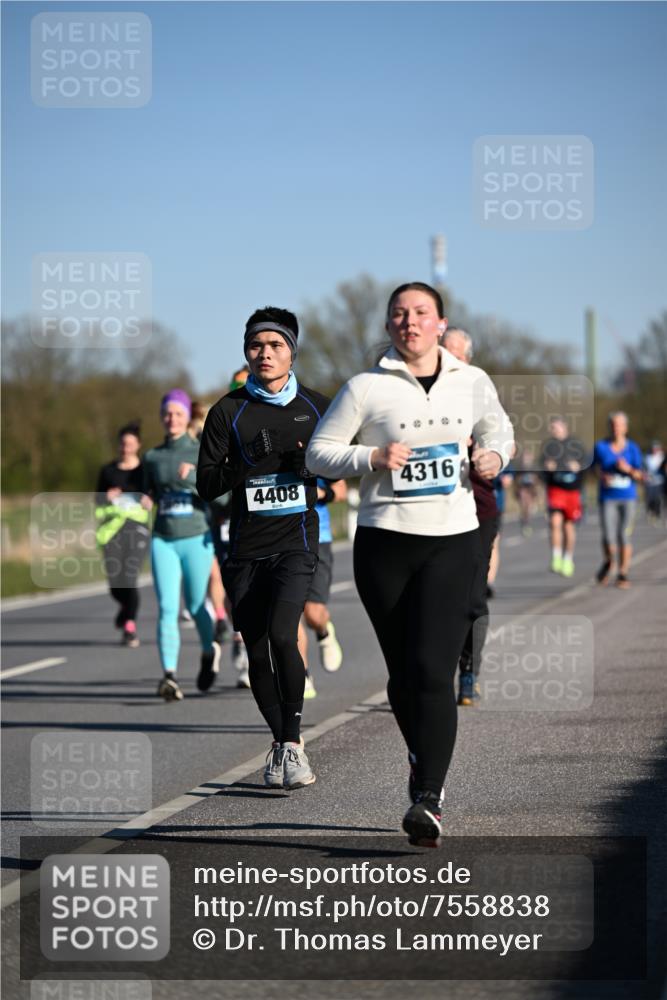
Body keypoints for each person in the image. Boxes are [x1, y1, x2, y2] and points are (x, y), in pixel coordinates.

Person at [307, 282, 513, 847]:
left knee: (432, 668)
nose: (410, 322)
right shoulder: (365, 387)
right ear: (389, 326)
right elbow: (318, 453)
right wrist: (370, 456)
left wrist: (493, 455)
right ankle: (420, 762)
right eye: (399, 314)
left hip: (452, 540)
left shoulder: (472, 382)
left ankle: (430, 797)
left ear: (440, 324)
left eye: (421, 313)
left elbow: (499, 430)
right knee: (403, 675)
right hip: (383, 544)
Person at [197, 307, 330, 790]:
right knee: (255, 650)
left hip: (295, 543)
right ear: (246, 351)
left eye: (275, 345)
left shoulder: (317, 406)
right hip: (245, 549)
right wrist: (243, 462)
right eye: (256, 345)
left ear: (292, 351)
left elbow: (339, 465)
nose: (265, 353)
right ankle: (281, 744)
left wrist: (313, 468)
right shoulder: (227, 412)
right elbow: (207, 486)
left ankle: (293, 743)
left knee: (281, 634)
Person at [143, 389, 221, 701]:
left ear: (187, 416)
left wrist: (193, 479)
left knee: (194, 605)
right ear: (162, 417)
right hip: (163, 539)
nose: (171, 418)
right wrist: (145, 499)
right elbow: (148, 491)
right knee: (166, 608)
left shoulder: (202, 451)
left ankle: (207, 649)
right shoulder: (152, 457)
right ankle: (169, 676)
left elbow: (222, 495)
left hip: (195, 539)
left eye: (177, 413)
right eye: (167, 413)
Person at [444, 328, 499, 707]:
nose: (449, 360)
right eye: (443, 352)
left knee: (472, 597)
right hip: (427, 511)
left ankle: (469, 672)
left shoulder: (480, 393)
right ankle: (427, 676)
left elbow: (501, 441)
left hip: (476, 507)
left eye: (457, 355)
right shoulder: (414, 392)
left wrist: (486, 452)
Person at [95, 423, 151, 648]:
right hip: (112, 530)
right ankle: (124, 609)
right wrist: (106, 496)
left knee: (129, 578)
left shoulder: (145, 471)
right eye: (122, 443)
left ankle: (129, 626)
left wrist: (149, 499)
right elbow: (96, 500)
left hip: (137, 529)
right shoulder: (107, 471)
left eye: (129, 444)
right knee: (115, 583)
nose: (125, 448)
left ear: (137, 445)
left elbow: (153, 493)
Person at [300, 477, 347, 698]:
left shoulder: (316, 448)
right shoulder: (270, 446)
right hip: (282, 540)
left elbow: (341, 491)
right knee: (288, 614)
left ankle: (323, 631)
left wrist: (319, 493)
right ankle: (302, 675)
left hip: (319, 538)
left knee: (312, 613)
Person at [593, 412, 644, 588]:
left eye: (620, 425)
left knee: (623, 535)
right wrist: (602, 476)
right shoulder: (600, 447)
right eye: (613, 424)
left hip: (628, 498)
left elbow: (640, 476)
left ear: (625, 428)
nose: (616, 428)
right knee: (608, 537)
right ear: (609, 427)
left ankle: (623, 573)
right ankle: (609, 563)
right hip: (607, 498)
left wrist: (628, 469)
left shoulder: (633, 449)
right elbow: (594, 469)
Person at [540, 417, 587, 577]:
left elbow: (586, 464)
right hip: (556, 489)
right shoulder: (549, 446)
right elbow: (541, 468)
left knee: (568, 526)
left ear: (565, 427)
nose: (555, 430)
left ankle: (568, 559)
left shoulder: (576, 444)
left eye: (557, 427)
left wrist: (579, 468)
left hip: (572, 490)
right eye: (552, 428)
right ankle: (556, 557)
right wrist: (547, 469)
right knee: (555, 522)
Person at [644, 440, 665, 523]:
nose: (655, 450)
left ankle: (657, 513)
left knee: (658, 498)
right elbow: (644, 468)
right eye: (653, 448)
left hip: (659, 481)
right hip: (649, 481)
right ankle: (650, 511)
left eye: (656, 448)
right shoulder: (647, 457)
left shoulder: (662, 457)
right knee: (650, 498)